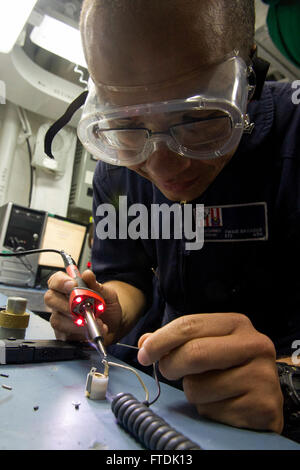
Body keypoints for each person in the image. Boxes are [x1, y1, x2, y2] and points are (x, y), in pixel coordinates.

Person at [44, 0, 300, 437]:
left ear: (248, 82)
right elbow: (128, 275)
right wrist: (107, 310)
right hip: (160, 404)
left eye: (199, 118)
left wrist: (286, 382)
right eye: (127, 124)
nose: (163, 168)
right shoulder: (117, 170)